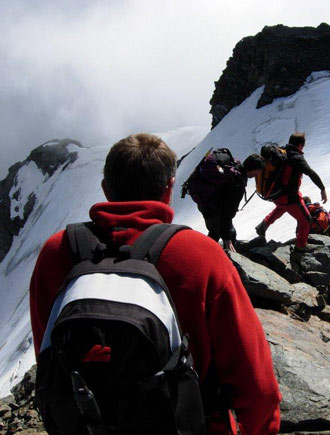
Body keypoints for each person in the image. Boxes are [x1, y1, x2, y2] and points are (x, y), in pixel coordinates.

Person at [29, 133, 281, 434]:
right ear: (169, 189)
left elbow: (48, 359)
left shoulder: (56, 252)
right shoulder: (201, 256)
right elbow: (257, 386)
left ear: (106, 189)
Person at [255, 132, 327, 251]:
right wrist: (322, 189)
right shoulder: (296, 157)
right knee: (306, 221)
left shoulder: (281, 152)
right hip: (290, 198)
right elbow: (310, 172)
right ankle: (301, 246)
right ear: (300, 146)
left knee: (281, 208)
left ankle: (264, 225)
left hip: (275, 195)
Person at [197, 153, 265, 252]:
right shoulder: (237, 184)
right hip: (212, 209)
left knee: (215, 231)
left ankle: (204, 253)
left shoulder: (234, 167)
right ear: (255, 170)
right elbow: (226, 213)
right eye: (259, 171)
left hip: (204, 203)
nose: (258, 174)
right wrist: (227, 239)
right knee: (229, 233)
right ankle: (222, 259)